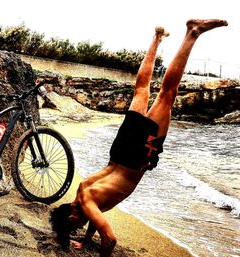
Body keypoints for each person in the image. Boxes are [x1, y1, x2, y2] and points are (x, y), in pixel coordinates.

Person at [50, 19, 228, 257]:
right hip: (120, 149)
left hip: (136, 157)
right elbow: (96, 214)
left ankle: (192, 33)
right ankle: (157, 37)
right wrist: (86, 239)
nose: (79, 227)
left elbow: (110, 239)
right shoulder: (83, 192)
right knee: (141, 89)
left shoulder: (88, 205)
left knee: (167, 94)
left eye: (75, 227)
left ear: (72, 216)